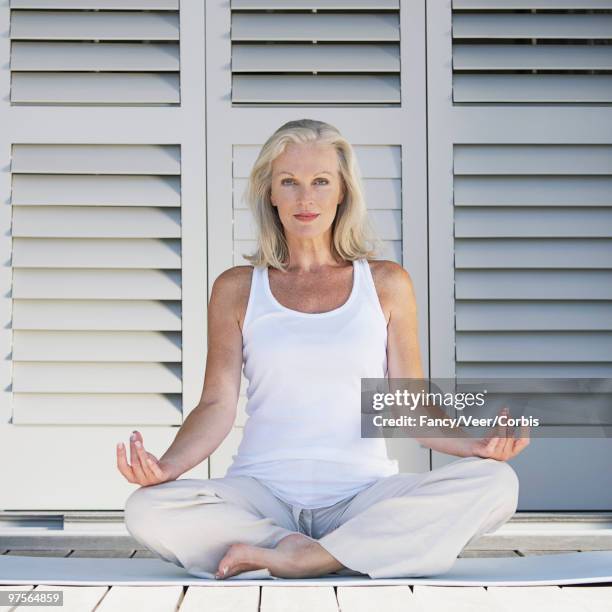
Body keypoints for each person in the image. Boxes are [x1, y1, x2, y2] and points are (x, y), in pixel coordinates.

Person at [118, 119, 530, 580]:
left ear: (342, 192)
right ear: (269, 193)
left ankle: (312, 557)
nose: (305, 198)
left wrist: (474, 444)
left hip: (362, 496)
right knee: (147, 507)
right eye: (289, 182)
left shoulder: (387, 284)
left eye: (320, 182)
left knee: (495, 483)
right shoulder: (236, 289)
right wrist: (167, 467)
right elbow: (216, 404)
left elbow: (408, 407)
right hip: (262, 496)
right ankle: (293, 547)